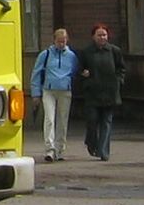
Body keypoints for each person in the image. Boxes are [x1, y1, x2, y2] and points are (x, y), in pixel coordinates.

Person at [28, 27, 79, 162]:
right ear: (54, 41)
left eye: (64, 41)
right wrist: (35, 93)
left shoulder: (71, 56)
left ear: (67, 41)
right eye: (59, 41)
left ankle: (60, 149)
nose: (61, 44)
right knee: (49, 119)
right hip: (49, 90)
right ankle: (50, 149)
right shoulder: (46, 54)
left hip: (65, 90)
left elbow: (74, 72)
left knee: (62, 120)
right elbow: (36, 73)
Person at [78, 23, 127, 161]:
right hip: (92, 93)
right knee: (92, 121)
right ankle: (91, 142)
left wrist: (118, 81)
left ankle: (103, 151)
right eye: (99, 35)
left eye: (104, 35)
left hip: (110, 92)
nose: (102, 37)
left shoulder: (114, 51)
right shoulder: (86, 52)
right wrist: (84, 76)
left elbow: (121, 68)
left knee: (106, 122)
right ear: (93, 36)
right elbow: (79, 70)